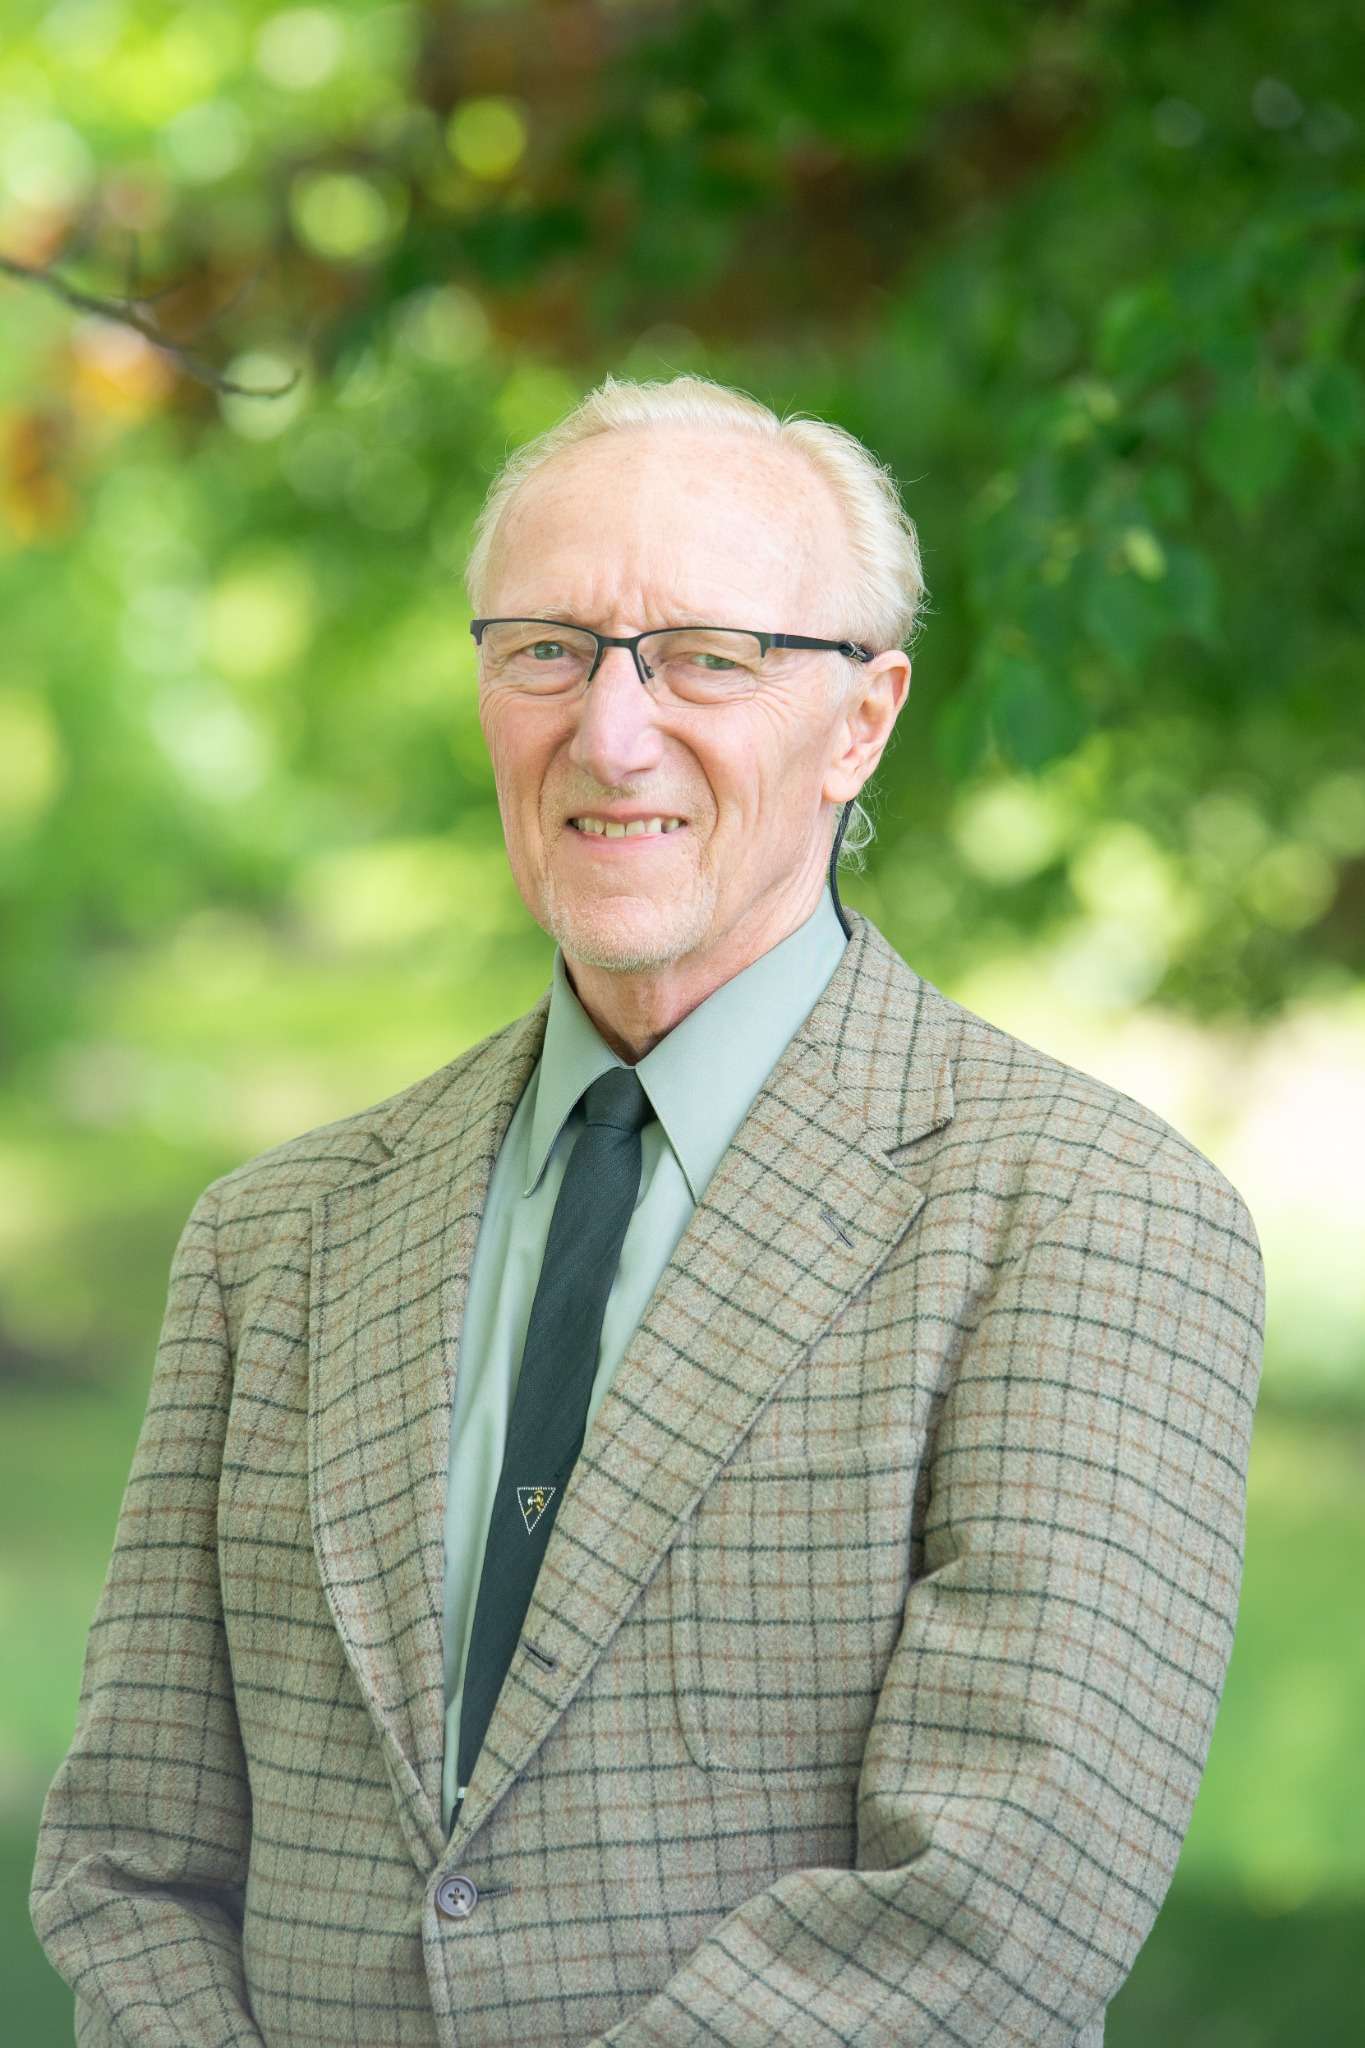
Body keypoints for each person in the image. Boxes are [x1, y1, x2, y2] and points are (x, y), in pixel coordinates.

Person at [30, 373, 1265, 2047]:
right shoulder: (275, 1237)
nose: (610, 732)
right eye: (547, 649)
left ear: (861, 720)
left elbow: (994, 1903)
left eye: (708, 656)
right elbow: (133, 1862)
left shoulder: (1084, 1216)